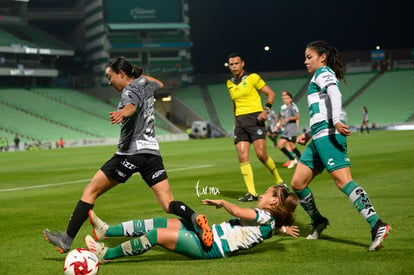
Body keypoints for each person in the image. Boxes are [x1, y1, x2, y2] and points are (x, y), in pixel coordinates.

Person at [43, 56, 213, 253]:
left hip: (130, 154)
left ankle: (66, 239)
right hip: (152, 154)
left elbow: (131, 107)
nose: (109, 82)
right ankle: (195, 218)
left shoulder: (128, 91)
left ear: (121, 74)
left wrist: (122, 113)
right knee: (168, 203)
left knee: (90, 191)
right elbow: (160, 83)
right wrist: (138, 75)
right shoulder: (145, 84)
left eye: (110, 77)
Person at [291, 40, 391, 251]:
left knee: (343, 181)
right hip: (318, 137)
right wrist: (308, 133)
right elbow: (321, 110)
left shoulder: (323, 72)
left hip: (329, 135)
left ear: (322, 57)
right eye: (306, 57)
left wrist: (336, 120)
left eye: (309, 57)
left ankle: (377, 225)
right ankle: (318, 220)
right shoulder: (317, 76)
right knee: (298, 183)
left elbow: (335, 94)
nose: (306, 61)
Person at [84, 184, 299, 262]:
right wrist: (284, 228)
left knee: (156, 235)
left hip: (212, 247)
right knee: (161, 221)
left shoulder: (262, 216)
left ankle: (106, 255)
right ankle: (106, 231)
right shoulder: (271, 224)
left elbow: (238, 210)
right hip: (211, 234)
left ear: (273, 201)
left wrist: (223, 202)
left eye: (266, 193)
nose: (261, 194)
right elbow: (271, 230)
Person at [226, 52, 285, 202]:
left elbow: (270, 94)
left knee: (261, 154)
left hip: (255, 119)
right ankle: (252, 193)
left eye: (236, 63)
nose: (233, 67)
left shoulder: (253, 78)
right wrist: (235, 122)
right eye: (231, 64)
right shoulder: (230, 83)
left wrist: (266, 111)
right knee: (242, 154)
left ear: (242, 64)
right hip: (240, 122)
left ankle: (279, 181)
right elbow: (234, 104)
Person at [276, 91, 301, 169]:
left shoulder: (292, 107)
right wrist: (279, 123)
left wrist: (288, 119)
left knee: (292, 147)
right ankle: (293, 159)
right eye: (284, 99)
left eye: (287, 98)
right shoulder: (285, 108)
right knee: (280, 145)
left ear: (291, 99)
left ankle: (301, 160)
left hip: (291, 130)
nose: (285, 100)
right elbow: (283, 117)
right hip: (286, 130)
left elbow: (297, 117)